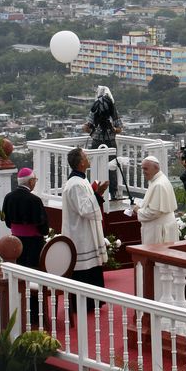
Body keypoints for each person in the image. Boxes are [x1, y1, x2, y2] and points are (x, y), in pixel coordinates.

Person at [62, 147, 108, 306]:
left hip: (85, 230)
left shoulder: (81, 181)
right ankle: (83, 304)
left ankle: (92, 302)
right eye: (86, 157)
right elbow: (85, 209)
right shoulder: (75, 184)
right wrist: (99, 193)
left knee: (91, 267)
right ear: (81, 163)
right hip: (80, 234)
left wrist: (95, 192)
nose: (88, 159)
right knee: (84, 268)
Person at [2, 167, 49, 268]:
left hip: (15, 241)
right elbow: (43, 226)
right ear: (31, 181)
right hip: (33, 243)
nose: (35, 183)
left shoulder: (8, 197)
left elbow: (7, 222)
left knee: (18, 267)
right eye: (35, 180)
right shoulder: (35, 200)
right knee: (32, 269)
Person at [83, 85, 122, 200]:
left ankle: (94, 190)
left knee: (94, 166)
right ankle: (113, 192)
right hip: (110, 142)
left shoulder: (95, 108)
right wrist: (112, 129)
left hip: (96, 142)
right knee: (112, 167)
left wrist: (93, 130)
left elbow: (86, 127)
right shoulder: (112, 109)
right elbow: (119, 128)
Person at [132, 156, 179, 244]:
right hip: (161, 226)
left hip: (159, 230)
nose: (143, 172)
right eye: (142, 169)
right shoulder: (157, 180)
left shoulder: (159, 184)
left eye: (146, 169)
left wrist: (138, 211)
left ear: (156, 168)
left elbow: (154, 212)